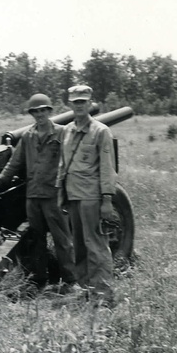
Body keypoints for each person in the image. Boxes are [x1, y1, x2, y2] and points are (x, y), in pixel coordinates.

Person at [0, 93, 77, 287]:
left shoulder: (62, 133)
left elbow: (71, 162)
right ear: (32, 114)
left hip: (54, 195)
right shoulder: (28, 136)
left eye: (43, 111)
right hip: (33, 195)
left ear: (49, 112)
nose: (40, 115)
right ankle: (39, 279)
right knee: (36, 239)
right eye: (36, 112)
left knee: (62, 239)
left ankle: (70, 280)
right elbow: (14, 163)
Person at [56, 84, 119, 307]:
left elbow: (107, 168)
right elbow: (63, 164)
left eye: (83, 101)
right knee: (80, 246)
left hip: (92, 198)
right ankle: (86, 290)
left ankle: (103, 295)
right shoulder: (67, 131)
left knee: (97, 246)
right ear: (70, 104)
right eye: (75, 102)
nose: (79, 105)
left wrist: (107, 200)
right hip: (73, 196)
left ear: (90, 104)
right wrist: (61, 194)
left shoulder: (100, 131)